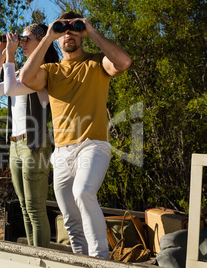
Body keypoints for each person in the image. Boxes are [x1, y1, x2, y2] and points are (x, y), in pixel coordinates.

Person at [19, 11, 132, 258]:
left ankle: (100, 258)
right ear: (58, 39)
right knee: (70, 218)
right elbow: (26, 78)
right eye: (63, 31)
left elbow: (123, 63)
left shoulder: (96, 62)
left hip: (93, 145)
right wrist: (49, 35)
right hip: (61, 152)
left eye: (74, 29)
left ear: (81, 35)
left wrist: (91, 30)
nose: (68, 34)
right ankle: (81, 261)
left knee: (83, 192)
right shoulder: (51, 70)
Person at [0, 23, 59, 247]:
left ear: (42, 43)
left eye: (27, 39)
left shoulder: (43, 72)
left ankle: (42, 258)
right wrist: (0, 57)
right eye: (22, 39)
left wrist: (11, 56)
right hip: (15, 145)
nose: (22, 43)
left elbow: (9, 89)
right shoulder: (19, 73)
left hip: (35, 144)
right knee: (25, 208)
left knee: (35, 209)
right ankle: (33, 255)